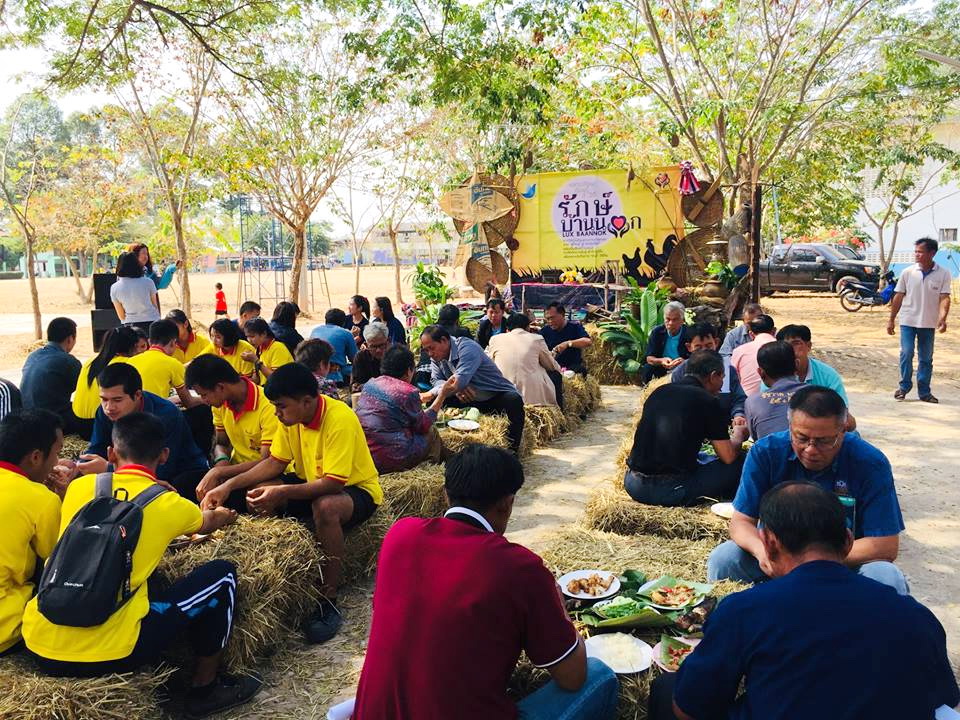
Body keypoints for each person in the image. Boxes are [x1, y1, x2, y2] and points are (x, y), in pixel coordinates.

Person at [649, 482, 959, 720]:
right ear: (848, 541)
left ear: (768, 543)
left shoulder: (744, 610)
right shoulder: (915, 616)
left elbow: (689, 710)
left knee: (666, 689)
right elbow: (945, 703)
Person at [353, 444, 618, 720]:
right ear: (507, 504)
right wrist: (560, 608)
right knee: (599, 675)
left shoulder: (399, 535)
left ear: (446, 494)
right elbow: (573, 677)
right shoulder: (520, 567)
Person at [21, 412, 262, 717]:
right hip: (112, 654)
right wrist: (225, 516)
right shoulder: (170, 503)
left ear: (111, 453)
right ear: (164, 455)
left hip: (39, 646)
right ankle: (206, 688)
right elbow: (207, 522)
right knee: (222, 575)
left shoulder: (79, 489)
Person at [200, 363, 382, 644]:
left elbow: (333, 484)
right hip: (312, 482)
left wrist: (282, 492)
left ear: (307, 402)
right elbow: (274, 463)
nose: (277, 413)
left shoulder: (339, 418)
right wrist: (228, 485)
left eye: (281, 406)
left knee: (325, 507)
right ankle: (275, 572)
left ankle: (328, 597)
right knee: (258, 491)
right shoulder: (291, 420)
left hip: (355, 490)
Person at [707, 386, 908, 594]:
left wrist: (810, 564)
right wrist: (763, 553)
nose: (811, 449)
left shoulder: (870, 463)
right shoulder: (765, 453)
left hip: (844, 564)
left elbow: (884, 545)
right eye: (801, 438)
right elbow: (741, 522)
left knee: (886, 576)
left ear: (843, 430)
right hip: (778, 563)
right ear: (790, 426)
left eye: (824, 441)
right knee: (725, 559)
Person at [625, 350, 748, 507]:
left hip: (633, 483)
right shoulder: (707, 401)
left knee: (703, 456)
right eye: (722, 378)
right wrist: (739, 435)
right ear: (713, 376)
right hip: (671, 489)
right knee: (742, 460)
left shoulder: (659, 392)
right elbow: (728, 456)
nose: (722, 384)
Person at [77, 364, 210, 500]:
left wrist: (109, 469)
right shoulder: (104, 412)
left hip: (177, 473)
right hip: (130, 474)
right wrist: (79, 465)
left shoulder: (166, 415)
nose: (109, 407)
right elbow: (97, 447)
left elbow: (162, 468)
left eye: (117, 400)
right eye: (104, 399)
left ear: (137, 395)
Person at [0, 409, 63, 655]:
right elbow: (55, 558)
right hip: (5, 626)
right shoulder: (41, 498)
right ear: (36, 457)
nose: (57, 463)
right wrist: (64, 500)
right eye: (57, 453)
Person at [185, 355, 281, 509]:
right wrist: (221, 461)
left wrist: (221, 473)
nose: (203, 400)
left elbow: (268, 462)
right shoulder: (220, 404)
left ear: (220, 387)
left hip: (264, 473)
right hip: (234, 471)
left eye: (204, 394)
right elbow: (221, 443)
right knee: (185, 483)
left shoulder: (268, 406)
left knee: (258, 495)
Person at [420, 326, 526, 453]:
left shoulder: (467, 347)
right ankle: (440, 448)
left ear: (444, 340)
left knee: (514, 400)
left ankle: (511, 453)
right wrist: (457, 388)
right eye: (426, 350)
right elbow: (437, 380)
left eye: (431, 348)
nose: (430, 354)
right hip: (465, 397)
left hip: (493, 396)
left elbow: (458, 382)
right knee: (432, 402)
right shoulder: (436, 358)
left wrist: (434, 392)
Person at [356, 346, 457, 473]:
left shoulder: (370, 384)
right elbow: (424, 426)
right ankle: (433, 466)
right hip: (391, 458)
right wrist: (442, 395)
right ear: (409, 370)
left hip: (367, 454)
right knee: (431, 431)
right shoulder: (407, 392)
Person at [888, 236, 952, 403]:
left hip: (928, 323)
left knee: (926, 358)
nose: (916, 254)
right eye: (915, 251)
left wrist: (943, 318)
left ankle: (924, 392)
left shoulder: (943, 273)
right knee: (906, 352)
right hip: (908, 321)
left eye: (920, 252)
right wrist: (891, 319)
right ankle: (904, 387)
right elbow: (898, 296)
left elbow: (944, 297)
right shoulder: (908, 272)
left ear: (932, 253)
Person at [775, 324, 856, 430]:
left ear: (808, 346)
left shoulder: (827, 375)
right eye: (786, 346)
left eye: (796, 344)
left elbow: (842, 412)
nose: (791, 350)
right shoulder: (774, 375)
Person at [670, 322, 746, 425]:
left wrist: (738, 415)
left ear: (716, 343)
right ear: (689, 347)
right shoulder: (680, 373)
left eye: (708, 346)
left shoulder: (728, 369)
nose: (704, 352)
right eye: (698, 348)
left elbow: (739, 398)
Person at [72, 326, 142, 437]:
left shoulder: (90, 362)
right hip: (101, 424)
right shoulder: (128, 363)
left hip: (79, 422)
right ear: (133, 346)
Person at [20, 317, 84, 436]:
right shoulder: (68, 361)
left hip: (27, 418)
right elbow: (84, 391)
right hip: (51, 421)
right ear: (70, 339)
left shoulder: (33, 355)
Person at [487, 313, 561, 406]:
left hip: (502, 394)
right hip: (532, 399)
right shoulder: (536, 339)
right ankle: (560, 410)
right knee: (555, 375)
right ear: (527, 327)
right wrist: (560, 369)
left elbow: (490, 364)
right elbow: (550, 365)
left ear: (507, 328)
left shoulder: (495, 339)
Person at [125, 319, 202, 408]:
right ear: (173, 343)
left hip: (131, 411)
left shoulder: (130, 361)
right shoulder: (173, 363)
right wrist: (205, 398)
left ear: (149, 342)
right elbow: (189, 402)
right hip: (154, 413)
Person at [744, 341, 804, 440]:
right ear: (797, 364)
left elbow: (757, 439)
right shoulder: (818, 395)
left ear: (760, 372)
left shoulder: (753, 402)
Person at [110, 251, 160, 332]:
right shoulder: (148, 282)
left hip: (131, 327)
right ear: (137, 264)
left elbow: (121, 316)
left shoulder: (114, 287)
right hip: (152, 323)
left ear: (119, 266)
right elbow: (155, 306)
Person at [642, 301, 688, 384]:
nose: (671, 323)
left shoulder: (688, 333)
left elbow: (696, 357)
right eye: (668, 319)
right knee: (648, 368)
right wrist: (661, 361)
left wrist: (684, 362)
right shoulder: (657, 332)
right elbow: (649, 358)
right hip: (662, 368)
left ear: (682, 320)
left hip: (682, 369)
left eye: (675, 320)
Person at [309, 309, 358, 386]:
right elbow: (355, 359)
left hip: (313, 372)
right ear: (343, 322)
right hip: (334, 375)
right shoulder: (346, 333)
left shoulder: (315, 330)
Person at [539, 302, 591, 375]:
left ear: (563, 315)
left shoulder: (575, 327)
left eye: (552, 318)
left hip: (573, 367)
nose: (550, 321)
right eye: (548, 319)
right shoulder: (544, 331)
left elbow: (587, 341)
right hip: (553, 368)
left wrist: (568, 343)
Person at [730, 314, 776, 396]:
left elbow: (732, 380)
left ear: (751, 334)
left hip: (746, 400)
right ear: (774, 331)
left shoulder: (739, 351)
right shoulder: (786, 349)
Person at [242, 317, 295, 384]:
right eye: (247, 336)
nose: (249, 340)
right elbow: (256, 380)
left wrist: (256, 361)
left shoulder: (278, 348)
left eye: (252, 336)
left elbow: (277, 380)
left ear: (264, 334)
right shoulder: (258, 349)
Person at [351, 321, 390, 390]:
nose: (378, 350)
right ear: (366, 345)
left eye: (381, 345)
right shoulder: (361, 357)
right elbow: (355, 384)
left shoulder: (397, 355)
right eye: (373, 347)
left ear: (388, 341)